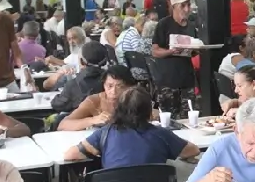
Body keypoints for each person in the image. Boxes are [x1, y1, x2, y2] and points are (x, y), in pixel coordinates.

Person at [63, 87, 199, 168]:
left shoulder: (105, 133)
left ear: (118, 109)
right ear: (149, 111)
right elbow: (193, 150)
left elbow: (71, 155)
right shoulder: (162, 134)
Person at [152, 0, 198, 119]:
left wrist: (195, 50)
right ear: (174, 7)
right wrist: (170, 51)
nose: (187, 9)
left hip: (186, 78)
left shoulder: (191, 26)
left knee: (188, 116)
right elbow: (155, 51)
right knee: (168, 118)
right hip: (168, 80)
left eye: (188, 5)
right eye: (182, 5)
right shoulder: (164, 25)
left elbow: (193, 50)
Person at [57, 65, 138, 131]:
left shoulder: (136, 100)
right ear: (104, 85)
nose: (113, 91)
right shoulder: (94, 101)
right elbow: (63, 125)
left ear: (130, 87)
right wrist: (92, 120)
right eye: (109, 86)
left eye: (120, 87)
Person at [49, 41, 108, 114]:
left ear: (81, 61)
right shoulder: (114, 80)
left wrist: (57, 97)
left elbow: (58, 105)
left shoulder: (73, 84)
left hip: (80, 123)